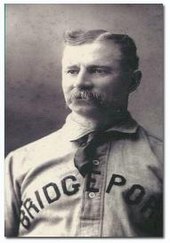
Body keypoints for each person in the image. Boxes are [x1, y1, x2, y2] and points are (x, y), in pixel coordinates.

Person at [5, 29, 163, 237]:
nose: (80, 82)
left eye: (98, 70)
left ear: (133, 81)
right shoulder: (19, 163)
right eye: (71, 71)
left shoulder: (161, 161)